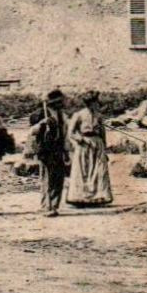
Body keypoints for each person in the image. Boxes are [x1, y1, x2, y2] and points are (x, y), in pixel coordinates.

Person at [27, 89, 70, 217]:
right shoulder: (40, 114)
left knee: (58, 178)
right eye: (58, 102)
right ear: (52, 102)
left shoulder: (62, 116)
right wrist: (41, 124)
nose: (60, 104)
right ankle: (47, 205)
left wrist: (66, 151)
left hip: (58, 149)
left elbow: (65, 134)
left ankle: (55, 205)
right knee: (47, 178)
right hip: (46, 149)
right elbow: (31, 132)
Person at [67, 91, 114, 207]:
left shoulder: (99, 116)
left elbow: (103, 133)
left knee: (99, 170)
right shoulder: (78, 115)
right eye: (95, 102)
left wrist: (105, 149)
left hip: (97, 144)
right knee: (83, 170)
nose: (97, 104)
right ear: (89, 103)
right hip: (83, 144)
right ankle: (80, 197)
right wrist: (80, 139)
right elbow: (71, 132)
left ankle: (99, 196)